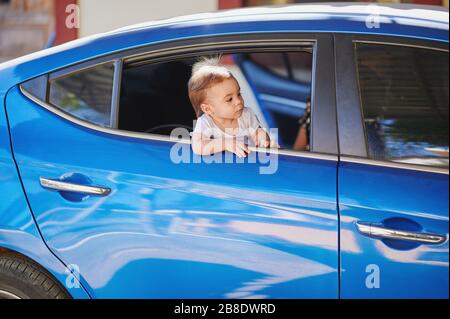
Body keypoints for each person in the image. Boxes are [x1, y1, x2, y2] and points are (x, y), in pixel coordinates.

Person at [188, 57, 273, 158]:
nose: (238, 101)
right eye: (229, 99)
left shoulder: (246, 114)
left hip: (249, 161)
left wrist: (262, 137)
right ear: (208, 109)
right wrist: (225, 144)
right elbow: (198, 147)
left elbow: (257, 132)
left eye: (239, 94)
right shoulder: (205, 123)